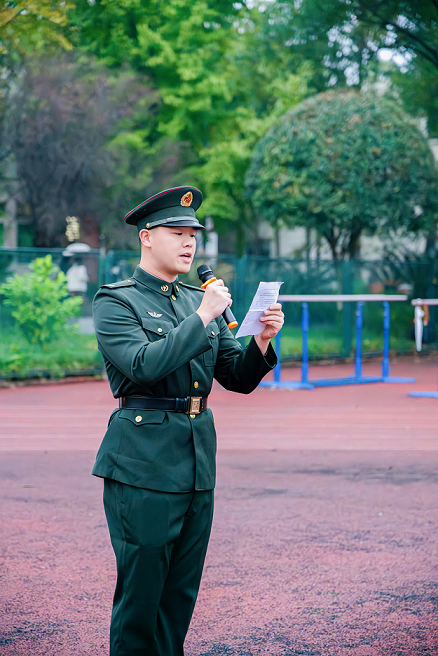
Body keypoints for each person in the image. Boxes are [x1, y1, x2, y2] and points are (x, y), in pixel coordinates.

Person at [92, 186, 284, 656]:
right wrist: (202, 317)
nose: (188, 243)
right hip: (143, 465)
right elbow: (142, 365)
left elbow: (236, 378)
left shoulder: (199, 300)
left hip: (197, 464)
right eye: (176, 233)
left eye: (193, 235)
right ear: (146, 237)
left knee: (179, 598)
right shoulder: (116, 301)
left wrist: (261, 340)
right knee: (141, 601)